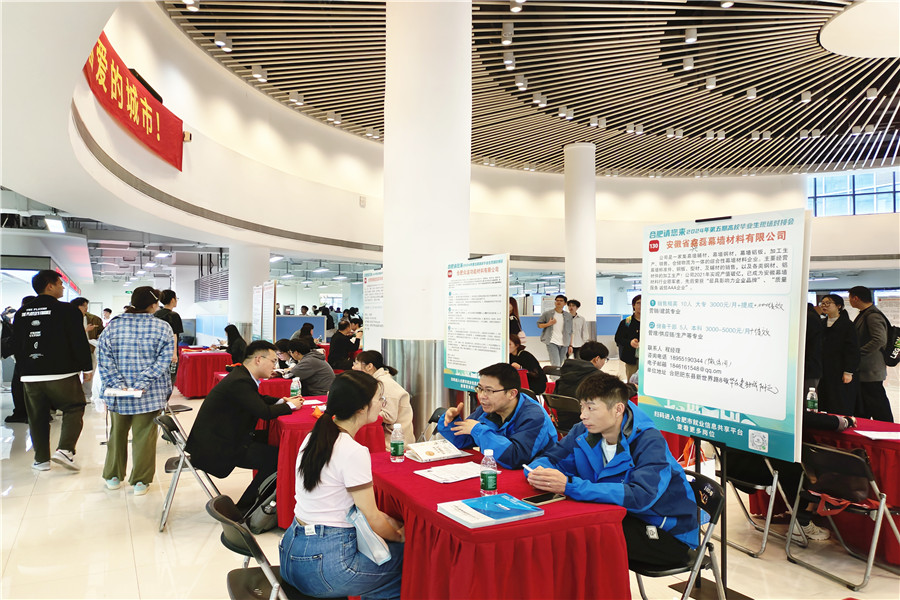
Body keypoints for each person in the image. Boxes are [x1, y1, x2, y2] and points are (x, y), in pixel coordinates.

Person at [527, 372, 699, 566]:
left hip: (665, 530)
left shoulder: (649, 441)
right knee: (565, 530)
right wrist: (539, 473)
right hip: (618, 514)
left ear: (618, 409)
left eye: (591, 408)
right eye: (582, 406)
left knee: (584, 538)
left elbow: (641, 496)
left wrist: (570, 485)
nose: (583, 415)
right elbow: (549, 459)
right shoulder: (583, 431)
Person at [280, 371, 404, 599]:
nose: (382, 404)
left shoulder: (313, 437)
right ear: (361, 408)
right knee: (407, 560)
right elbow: (372, 517)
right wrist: (400, 536)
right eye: (379, 399)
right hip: (324, 568)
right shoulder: (352, 451)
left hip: (290, 556)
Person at [186, 340, 303, 511]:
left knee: (271, 443)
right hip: (218, 447)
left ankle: (258, 502)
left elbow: (257, 399)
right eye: (273, 361)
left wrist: (281, 400)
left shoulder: (241, 376)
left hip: (226, 437)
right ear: (258, 359)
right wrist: (291, 406)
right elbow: (264, 412)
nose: (275, 366)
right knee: (278, 458)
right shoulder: (240, 381)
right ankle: (246, 508)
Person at [726, 410, 858, 541]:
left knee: (790, 459)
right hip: (754, 469)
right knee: (805, 466)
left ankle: (801, 519)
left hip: (730, 466)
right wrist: (843, 422)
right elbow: (801, 417)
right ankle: (802, 524)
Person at [12, 270, 93, 471]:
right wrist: (86, 367)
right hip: (62, 372)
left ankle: (41, 460)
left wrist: (23, 370)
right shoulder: (67, 310)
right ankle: (65, 450)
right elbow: (78, 340)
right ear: (50, 286)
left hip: (30, 375)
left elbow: (17, 344)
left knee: (37, 416)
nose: (62, 287)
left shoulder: (22, 312)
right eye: (60, 283)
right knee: (74, 407)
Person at [98, 287, 175, 494]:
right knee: (144, 437)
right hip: (150, 394)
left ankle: (113, 477)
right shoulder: (163, 327)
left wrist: (117, 383)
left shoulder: (113, 326)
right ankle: (140, 482)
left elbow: (104, 358)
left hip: (118, 394)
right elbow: (164, 361)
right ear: (153, 305)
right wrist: (142, 382)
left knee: (117, 434)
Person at [437, 363, 557, 469]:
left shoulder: (534, 417)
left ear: (511, 394)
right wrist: (452, 421)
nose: (482, 396)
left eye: (489, 391)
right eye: (480, 389)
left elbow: (515, 457)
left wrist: (478, 430)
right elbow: (463, 440)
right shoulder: (489, 408)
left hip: (533, 476)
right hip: (497, 469)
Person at [848, 286, 894, 422]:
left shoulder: (873, 315)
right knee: (865, 404)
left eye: (850, 298)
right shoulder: (865, 313)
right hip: (865, 369)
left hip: (871, 369)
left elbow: (879, 339)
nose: (850, 300)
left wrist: (858, 352)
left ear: (856, 298)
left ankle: (888, 429)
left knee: (878, 404)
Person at [353, 350, 415, 450]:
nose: (353, 367)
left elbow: (389, 416)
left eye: (356, 363)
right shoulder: (375, 382)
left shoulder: (385, 384)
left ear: (369, 366)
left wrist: (363, 413)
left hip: (395, 443)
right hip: (385, 436)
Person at [817, 294, 859, 415]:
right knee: (824, 399)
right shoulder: (821, 323)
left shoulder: (847, 325)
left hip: (840, 369)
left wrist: (848, 371)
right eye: (822, 303)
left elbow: (852, 349)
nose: (824, 306)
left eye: (828, 303)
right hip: (824, 368)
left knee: (839, 400)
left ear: (838, 306)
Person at [4, 295, 35, 424]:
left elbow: (16, 338)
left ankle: (21, 413)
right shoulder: (44, 317)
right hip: (39, 359)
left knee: (18, 387)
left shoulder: (21, 316)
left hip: (23, 358)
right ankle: (37, 413)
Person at [71, 297, 103, 401]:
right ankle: (74, 395)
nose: (86, 308)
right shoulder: (69, 319)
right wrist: (85, 330)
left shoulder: (94, 319)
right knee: (74, 375)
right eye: (83, 306)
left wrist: (99, 336)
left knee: (89, 374)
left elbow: (101, 331)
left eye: (86, 305)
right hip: (73, 351)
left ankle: (87, 395)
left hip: (90, 349)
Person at [153, 289, 183, 384]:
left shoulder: (156, 314)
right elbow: (174, 335)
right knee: (170, 378)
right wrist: (174, 354)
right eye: (176, 298)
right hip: (169, 351)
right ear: (172, 300)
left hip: (157, 350)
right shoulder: (174, 315)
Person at [537, 295, 573, 367]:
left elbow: (570, 331)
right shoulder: (547, 314)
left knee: (560, 363)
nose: (558, 302)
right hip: (552, 341)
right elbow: (539, 325)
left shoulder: (568, 316)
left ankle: (555, 374)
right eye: (557, 300)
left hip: (564, 342)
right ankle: (555, 374)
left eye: (561, 301)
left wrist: (570, 345)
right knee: (556, 363)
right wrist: (548, 324)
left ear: (565, 303)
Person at [615, 295, 641, 382]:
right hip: (631, 358)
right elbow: (618, 338)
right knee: (632, 382)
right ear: (633, 305)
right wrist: (630, 342)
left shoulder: (650, 322)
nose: (641, 306)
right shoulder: (627, 322)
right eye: (638, 303)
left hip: (647, 358)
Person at [804, 302, 824, 391]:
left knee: (809, 394)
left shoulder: (809, 317)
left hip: (809, 365)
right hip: (812, 365)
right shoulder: (812, 316)